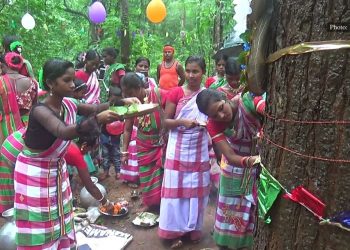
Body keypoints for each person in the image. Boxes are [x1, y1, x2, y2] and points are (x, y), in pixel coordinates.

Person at [13, 58, 139, 249]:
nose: (73, 84)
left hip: (56, 169)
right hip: (34, 174)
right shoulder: (40, 110)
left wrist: (122, 102)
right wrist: (97, 119)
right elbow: (63, 131)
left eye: (73, 79)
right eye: (67, 80)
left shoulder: (69, 104)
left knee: (60, 216)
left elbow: (96, 108)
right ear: (50, 83)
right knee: (41, 222)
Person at [196, 89, 264, 250]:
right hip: (235, 166)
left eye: (221, 108)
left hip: (259, 164)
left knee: (252, 207)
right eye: (214, 115)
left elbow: (271, 112)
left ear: (225, 98)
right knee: (230, 209)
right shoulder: (213, 125)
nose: (221, 116)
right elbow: (230, 156)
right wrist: (253, 160)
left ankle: (249, 244)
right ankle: (225, 244)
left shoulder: (248, 102)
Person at [158, 56, 210, 249]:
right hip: (178, 148)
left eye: (195, 71)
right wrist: (183, 122)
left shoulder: (207, 94)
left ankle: (193, 228)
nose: (190, 75)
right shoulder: (176, 93)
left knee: (196, 190)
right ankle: (173, 231)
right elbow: (166, 122)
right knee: (175, 192)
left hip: (199, 148)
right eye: (188, 71)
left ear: (203, 72)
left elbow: (214, 119)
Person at [121, 72, 166, 210]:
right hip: (143, 146)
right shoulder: (130, 104)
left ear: (140, 87)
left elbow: (173, 111)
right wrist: (124, 151)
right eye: (125, 94)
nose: (128, 97)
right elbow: (127, 129)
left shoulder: (158, 94)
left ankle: (163, 206)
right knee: (146, 178)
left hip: (162, 144)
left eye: (131, 92)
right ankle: (151, 204)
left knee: (163, 177)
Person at [0, 55, 24, 213]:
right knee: (22, 164)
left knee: (6, 165)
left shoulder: (1, 82)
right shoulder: (30, 81)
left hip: (4, 128)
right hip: (23, 127)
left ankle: (8, 205)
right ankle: (23, 200)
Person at [4, 52, 38, 124]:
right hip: (27, 125)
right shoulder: (32, 83)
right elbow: (35, 106)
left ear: (5, 64)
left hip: (6, 126)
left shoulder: (1, 82)